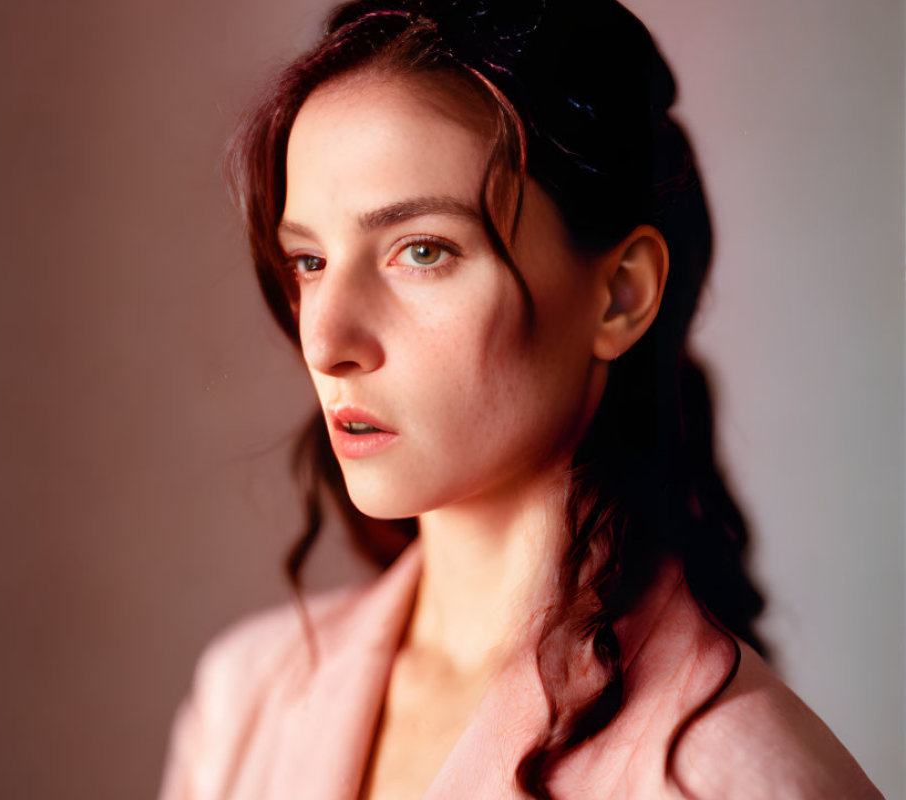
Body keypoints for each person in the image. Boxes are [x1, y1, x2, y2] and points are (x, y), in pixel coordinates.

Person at [159, 1, 883, 797]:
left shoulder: (735, 776)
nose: (327, 341)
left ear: (619, 295)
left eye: (421, 251)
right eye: (309, 262)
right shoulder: (243, 703)